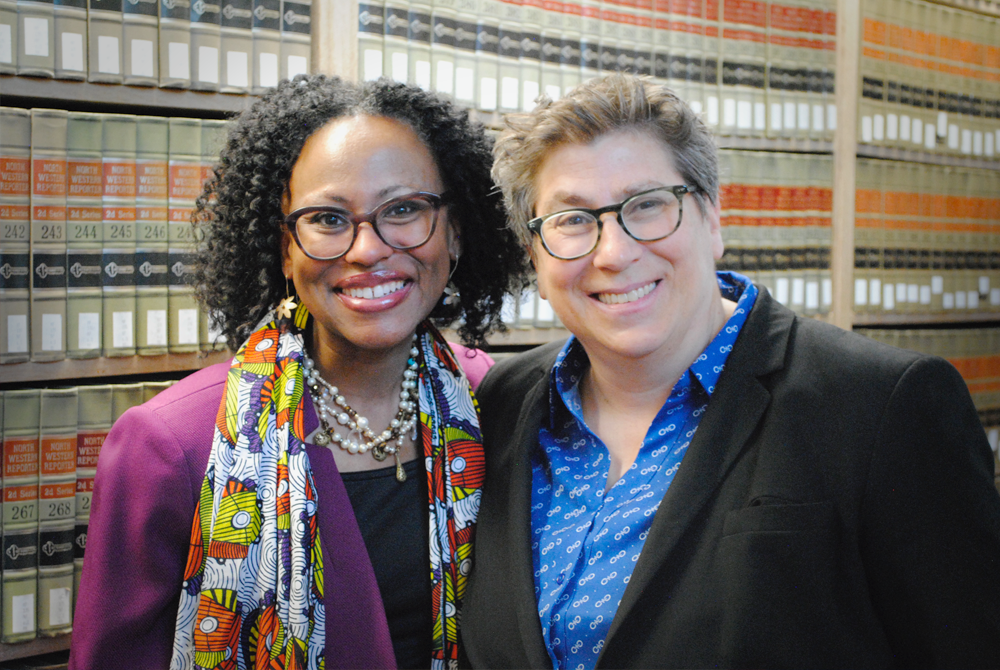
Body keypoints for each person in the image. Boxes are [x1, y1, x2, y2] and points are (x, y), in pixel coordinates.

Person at [460, 73, 1000, 669]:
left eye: (647, 205)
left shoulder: (881, 405)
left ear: (712, 218)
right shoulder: (499, 406)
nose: (613, 252)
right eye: (572, 221)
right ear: (533, 253)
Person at [70, 74, 529, 670]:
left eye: (405, 209)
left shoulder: (495, 405)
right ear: (285, 248)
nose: (367, 249)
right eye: (329, 220)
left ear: (456, 231)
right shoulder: (170, 445)